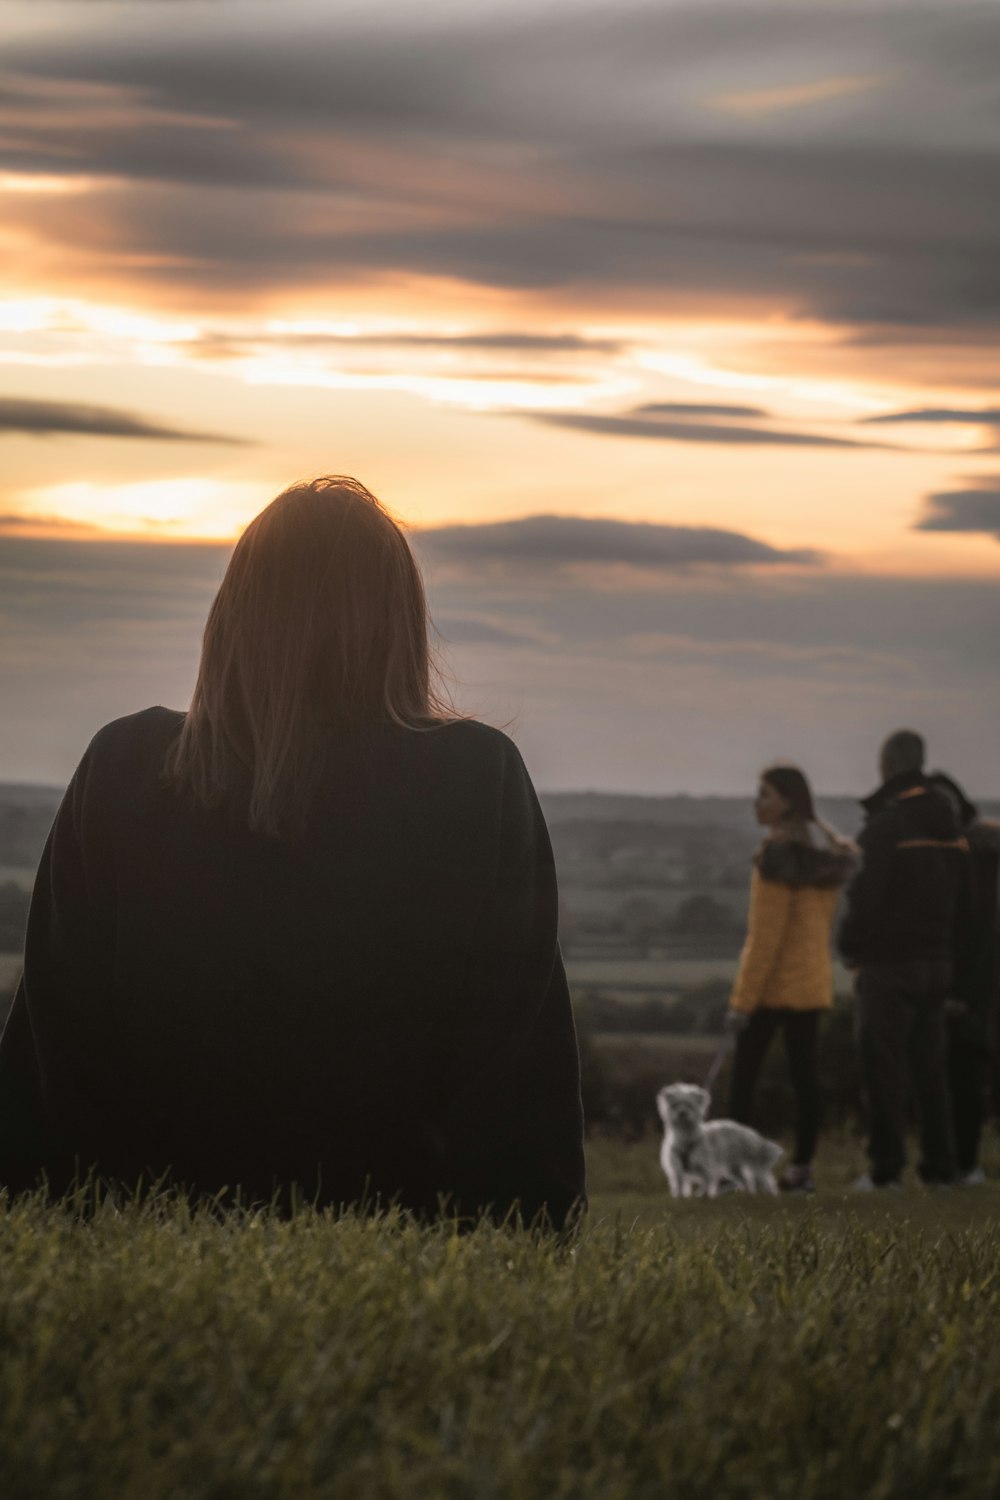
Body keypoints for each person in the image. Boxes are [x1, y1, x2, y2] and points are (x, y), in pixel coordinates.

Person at [0, 476, 586, 1225]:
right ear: (397, 621)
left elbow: (59, 1044)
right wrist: (528, 1231)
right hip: (398, 1218)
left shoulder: (124, 765)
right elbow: (515, 1060)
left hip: (150, 1214)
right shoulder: (474, 776)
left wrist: (53, 1211)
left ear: (233, 613)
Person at [839, 729, 970, 1190]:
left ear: (886, 765)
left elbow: (865, 897)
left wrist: (851, 949)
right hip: (937, 962)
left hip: (888, 963)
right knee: (932, 1073)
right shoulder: (952, 827)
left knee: (884, 1070)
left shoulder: (887, 826)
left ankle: (886, 1170)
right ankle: (940, 1167)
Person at [727, 765, 858, 1193]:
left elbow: (765, 941)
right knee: (805, 1081)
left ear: (786, 801)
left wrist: (742, 1002)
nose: (756, 801)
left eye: (764, 793)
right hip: (812, 983)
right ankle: (802, 1171)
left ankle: (734, 1173)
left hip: (770, 989)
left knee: (743, 1080)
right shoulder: (826, 861)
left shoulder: (776, 858)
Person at [927, 772, 1000, 1185]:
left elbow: (975, 932)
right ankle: (950, 1162)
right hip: (948, 974)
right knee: (942, 1075)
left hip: (973, 978)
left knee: (967, 1071)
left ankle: (966, 1162)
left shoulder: (978, 855)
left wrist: (961, 993)